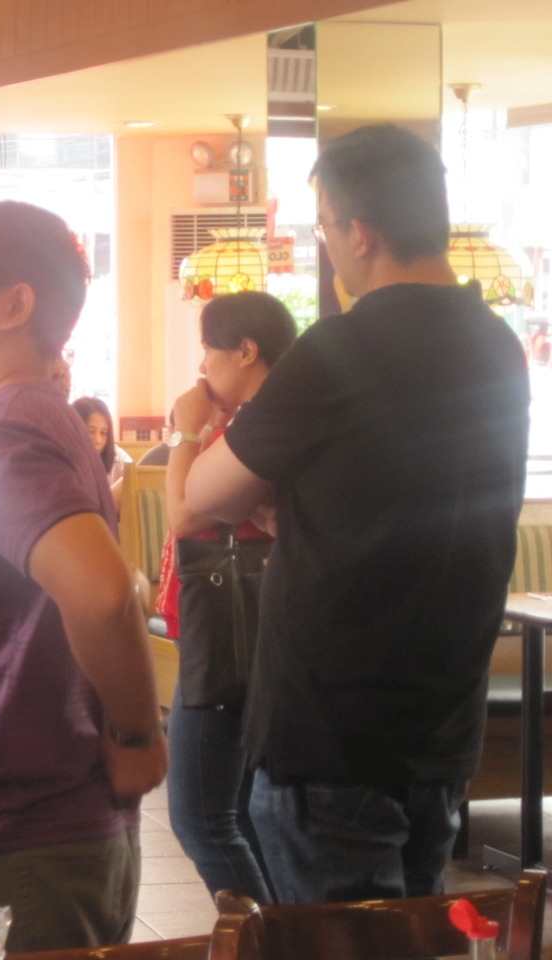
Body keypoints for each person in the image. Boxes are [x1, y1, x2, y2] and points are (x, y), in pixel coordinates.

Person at [186, 124, 530, 903]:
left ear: (361, 233)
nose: (330, 248)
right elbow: (403, 486)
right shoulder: (499, 349)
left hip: (332, 728)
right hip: (443, 723)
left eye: (325, 228)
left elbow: (205, 494)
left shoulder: (339, 349)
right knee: (412, 936)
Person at [0, 197, 167, 952]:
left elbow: (104, 593)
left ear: (15, 305)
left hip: (7, 853)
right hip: (42, 841)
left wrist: (138, 734)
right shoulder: (45, 415)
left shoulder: (0, 431)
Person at [156, 291, 297, 904]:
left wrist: (185, 429)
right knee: (237, 813)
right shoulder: (256, 422)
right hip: (235, 629)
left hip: (229, 636)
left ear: (245, 351)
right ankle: (277, 937)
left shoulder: (260, 426)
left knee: (201, 817)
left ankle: (267, 943)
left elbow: (185, 515)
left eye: (209, 350)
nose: (202, 366)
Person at [71, 395, 130, 512]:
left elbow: (134, 481)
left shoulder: (118, 457)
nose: (98, 440)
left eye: (103, 433)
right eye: (90, 431)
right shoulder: (61, 460)